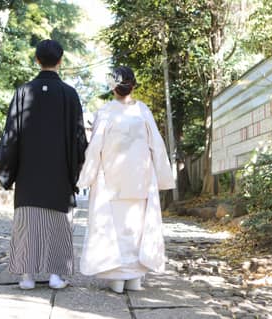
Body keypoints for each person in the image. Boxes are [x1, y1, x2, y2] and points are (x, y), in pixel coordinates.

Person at [0, 39, 88, 290]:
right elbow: (80, 138)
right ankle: (57, 275)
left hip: (28, 173)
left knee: (28, 222)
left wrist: (7, 171)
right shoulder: (69, 94)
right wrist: (78, 170)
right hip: (60, 173)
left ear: (37, 60)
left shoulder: (23, 92)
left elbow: (11, 135)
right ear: (60, 61)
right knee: (59, 223)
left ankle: (26, 275)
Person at [77, 66, 175, 293]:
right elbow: (157, 146)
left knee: (114, 228)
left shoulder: (106, 112)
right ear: (133, 84)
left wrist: (87, 177)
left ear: (113, 87)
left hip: (112, 179)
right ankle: (135, 277)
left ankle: (118, 278)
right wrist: (162, 177)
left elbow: (95, 148)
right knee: (137, 227)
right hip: (140, 178)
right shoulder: (143, 111)